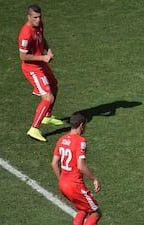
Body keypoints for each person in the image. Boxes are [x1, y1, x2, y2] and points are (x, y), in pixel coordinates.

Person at [18, 4, 63, 142]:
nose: (38, 20)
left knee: (54, 85)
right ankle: (34, 129)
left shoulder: (39, 25)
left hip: (41, 64)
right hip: (32, 68)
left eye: (40, 17)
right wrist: (43, 57)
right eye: (35, 17)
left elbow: (42, 39)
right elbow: (23, 57)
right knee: (47, 98)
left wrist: (48, 49)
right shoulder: (25, 34)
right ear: (29, 17)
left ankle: (47, 117)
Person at [51, 112, 102, 225]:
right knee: (96, 212)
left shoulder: (62, 139)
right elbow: (81, 166)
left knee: (83, 209)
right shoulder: (80, 141)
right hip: (75, 185)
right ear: (81, 125)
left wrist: (62, 179)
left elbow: (54, 163)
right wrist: (94, 178)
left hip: (63, 184)